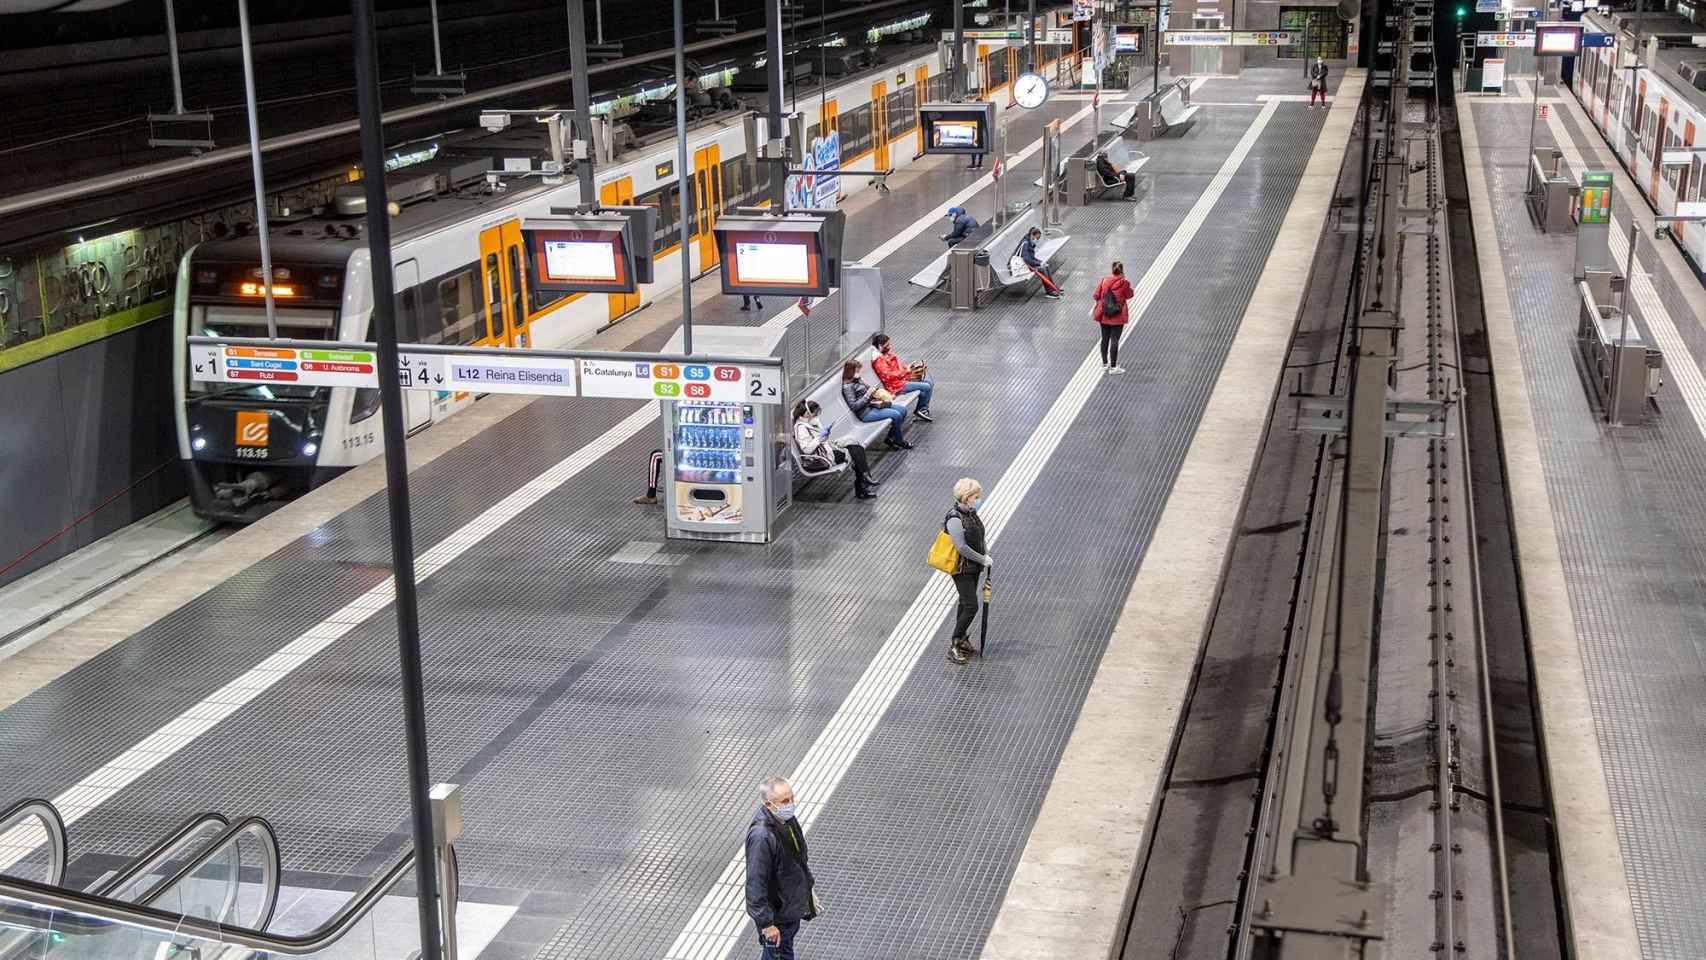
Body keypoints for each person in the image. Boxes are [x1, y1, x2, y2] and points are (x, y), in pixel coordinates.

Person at [744, 775, 817, 960]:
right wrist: (767, 924)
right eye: (785, 801)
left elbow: (798, 858)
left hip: (788, 910)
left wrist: (807, 888)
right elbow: (755, 884)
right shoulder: (762, 837)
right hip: (778, 917)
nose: (791, 804)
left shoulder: (787, 821)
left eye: (792, 798)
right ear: (769, 804)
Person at [943, 477, 992, 664]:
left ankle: (962, 637)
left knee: (965, 603)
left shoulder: (971, 513)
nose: (978, 499)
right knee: (972, 606)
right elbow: (961, 547)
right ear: (966, 497)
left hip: (974, 567)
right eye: (976, 496)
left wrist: (984, 554)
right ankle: (955, 642)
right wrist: (982, 558)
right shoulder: (955, 519)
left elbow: (979, 535)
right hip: (962, 569)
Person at [793, 400, 877, 499]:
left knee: (857, 449)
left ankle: (864, 480)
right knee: (856, 452)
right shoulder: (801, 428)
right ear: (807, 414)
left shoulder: (811, 423)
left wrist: (824, 432)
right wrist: (820, 437)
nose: (816, 416)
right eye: (815, 414)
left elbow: (822, 438)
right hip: (822, 457)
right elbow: (807, 449)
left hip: (828, 448)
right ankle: (863, 482)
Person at [842, 358, 912, 449]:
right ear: (850, 372)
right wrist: (867, 395)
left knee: (903, 410)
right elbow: (854, 406)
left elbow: (867, 388)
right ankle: (899, 440)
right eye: (857, 371)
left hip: (872, 405)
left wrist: (874, 391)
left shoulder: (857, 379)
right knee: (896, 415)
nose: (859, 373)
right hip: (865, 413)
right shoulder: (847, 387)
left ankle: (891, 437)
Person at [870, 333, 934, 422]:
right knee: (926, 386)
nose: (889, 347)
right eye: (887, 345)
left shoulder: (886, 354)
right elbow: (889, 376)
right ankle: (921, 409)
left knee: (928, 380)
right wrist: (905, 371)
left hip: (901, 379)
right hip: (896, 386)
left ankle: (923, 409)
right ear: (880, 346)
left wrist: (908, 368)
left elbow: (896, 368)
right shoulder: (878, 360)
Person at [1090, 261, 1136, 375]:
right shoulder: (1124, 283)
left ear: (1112, 270)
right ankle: (1114, 367)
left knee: (1104, 338)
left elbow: (1095, 295)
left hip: (1104, 313)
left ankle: (1105, 364)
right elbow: (1130, 295)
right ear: (1122, 270)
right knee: (1114, 339)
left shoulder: (1104, 280)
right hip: (1117, 314)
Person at [1014, 227, 1063, 300]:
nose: (1037, 240)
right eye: (1037, 238)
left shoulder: (1029, 242)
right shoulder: (1026, 244)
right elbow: (1027, 259)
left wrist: (1040, 262)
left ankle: (1053, 287)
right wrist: (1038, 264)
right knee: (1042, 269)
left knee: (1045, 266)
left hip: (1026, 264)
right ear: (1032, 236)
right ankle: (1049, 292)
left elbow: (1031, 258)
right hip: (1022, 266)